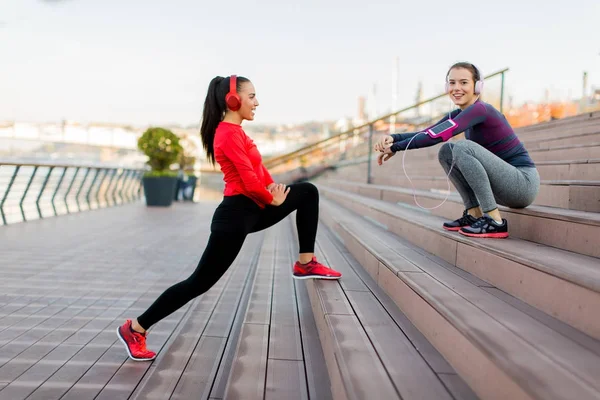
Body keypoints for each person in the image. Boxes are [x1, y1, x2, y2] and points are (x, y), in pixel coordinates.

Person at [117, 75, 341, 361]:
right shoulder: (227, 133)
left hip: (253, 207)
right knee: (199, 282)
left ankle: (306, 263)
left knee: (307, 192)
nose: (257, 102)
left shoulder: (239, 132)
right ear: (233, 100)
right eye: (251, 96)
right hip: (234, 216)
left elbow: (257, 173)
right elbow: (247, 181)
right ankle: (135, 328)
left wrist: (273, 188)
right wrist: (270, 197)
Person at [374, 62, 540, 239]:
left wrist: (395, 148)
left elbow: (436, 136)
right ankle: (474, 214)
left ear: (477, 86)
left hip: (523, 184)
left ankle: (495, 222)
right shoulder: (458, 114)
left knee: (461, 147)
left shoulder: (481, 110)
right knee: (447, 151)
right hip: (503, 184)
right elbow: (428, 132)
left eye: (463, 82)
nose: (456, 88)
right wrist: (394, 138)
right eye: (452, 83)